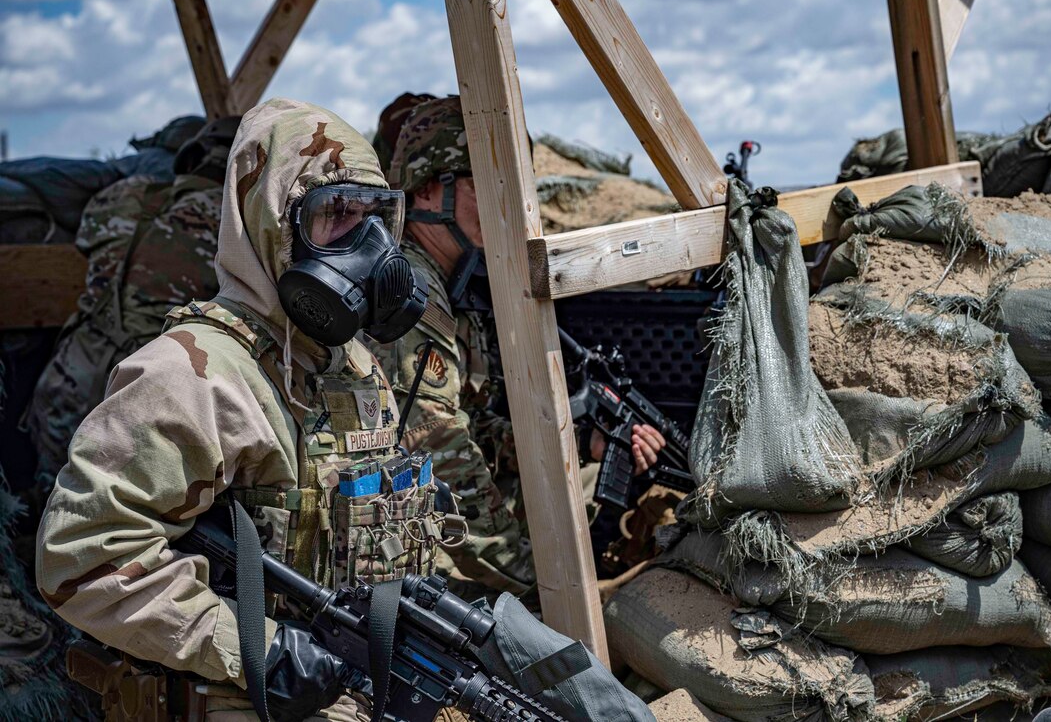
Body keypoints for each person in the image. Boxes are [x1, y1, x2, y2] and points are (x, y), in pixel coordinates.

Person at [36, 98, 454, 721]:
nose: (366, 244)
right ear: (273, 223)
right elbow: (82, 554)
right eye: (337, 214)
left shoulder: (352, 364)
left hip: (354, 681)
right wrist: (257, 650)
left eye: (376, 216)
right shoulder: (190, 374)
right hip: (241, 694)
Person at [374, 95, 667, 595]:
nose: (505, 203)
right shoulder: (411, 290)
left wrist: (581, 443)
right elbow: (437, 457)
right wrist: (544, 583)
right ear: (426, 190)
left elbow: (472, 428)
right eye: (486, 184)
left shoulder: (454, 282)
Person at [23, 116, 241, 496]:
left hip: (69, 377)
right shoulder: (234, 221)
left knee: (54, 502)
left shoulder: (120, 195)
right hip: (143, 392)